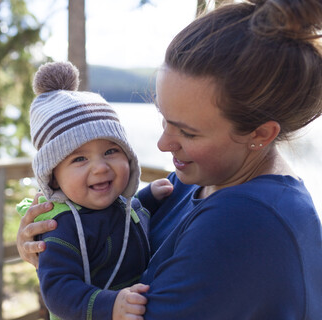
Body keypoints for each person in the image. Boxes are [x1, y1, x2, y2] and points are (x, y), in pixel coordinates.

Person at [17, 0, 322, 319]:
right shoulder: (201, 178)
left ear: (260, 133)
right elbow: (125, 226)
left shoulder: (245, 220)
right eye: (164, 119)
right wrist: (50, 246)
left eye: (188, 133)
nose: (164, 144)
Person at [16, 61, 173, 320]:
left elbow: (126, 214)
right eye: (79, 159)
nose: (100, 168)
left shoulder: (114, 203)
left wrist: (149, 198)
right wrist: (110, 306)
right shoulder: (61, 228)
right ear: (53, 177)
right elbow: (58, 290)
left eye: (111, 151)